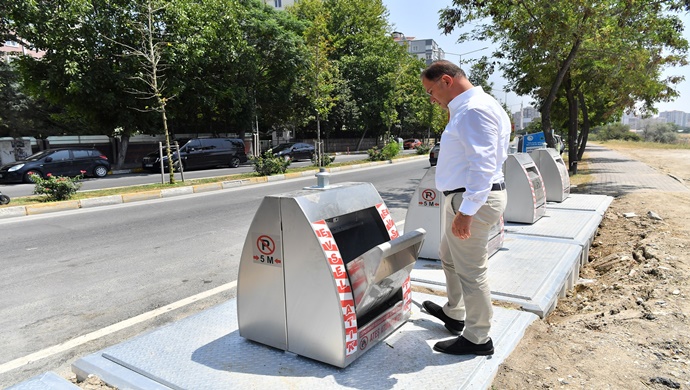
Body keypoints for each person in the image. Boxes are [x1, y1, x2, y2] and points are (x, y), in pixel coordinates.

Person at [420, 60, 511, 356]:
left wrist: (467, 211)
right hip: (462, 198)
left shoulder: (474, 111)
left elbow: (483, 165)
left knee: (471, 271)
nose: (432, 99)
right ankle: (455, 313)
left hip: (471, 200)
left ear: (447, 81)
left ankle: (478, 337)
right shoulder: (470, 108)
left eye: (432, 91)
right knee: (448, 256)